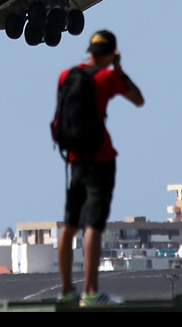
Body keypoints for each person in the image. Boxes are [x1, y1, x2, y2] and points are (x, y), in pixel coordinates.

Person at [57, 29, 144, 307]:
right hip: (100, 159)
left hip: (73, 160)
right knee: (92, 225)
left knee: (70, 225)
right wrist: (119, 68)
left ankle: (67, 290)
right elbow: (138, 99)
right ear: (109, 53)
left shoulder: (66, 75)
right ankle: (91, 292)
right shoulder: (107, 77)